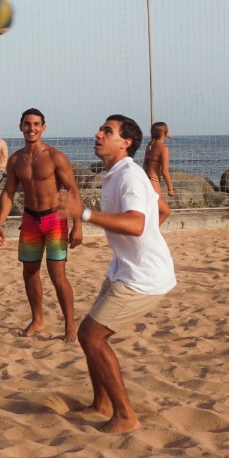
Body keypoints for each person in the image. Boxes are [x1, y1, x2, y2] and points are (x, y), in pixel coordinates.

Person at [59, 113, 177, 434]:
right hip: (124, 269)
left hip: (143, 278)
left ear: (125, 143)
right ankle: (102, 404)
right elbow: (161, 211)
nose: (98, 134)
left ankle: (125, 416)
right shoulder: (116, 173)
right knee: (92, 336)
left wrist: (83, 214)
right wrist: (143, 245)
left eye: (107, 131)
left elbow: (138, 224)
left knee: (91, 336)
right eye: (100, 128)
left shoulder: (129, 177)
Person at [0, 108, 83, 343]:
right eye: (27, 124)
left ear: (43, 127)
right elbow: (8, 192)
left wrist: (78, 225)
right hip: (30, 221)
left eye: (36, 124)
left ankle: (70, 326)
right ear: (20, 126)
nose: (31, 128)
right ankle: (37, 319)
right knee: (30, 272)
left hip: (54, 220)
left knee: (57, 275)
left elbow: (72, 190)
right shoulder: (15, 160)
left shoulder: (55, 157)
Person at [143, 122, 175, 202]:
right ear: (165, 132)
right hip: (154, 181)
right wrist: (170, 188)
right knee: (163, 211)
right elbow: (164, 171)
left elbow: (144, 165)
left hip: (145, 180)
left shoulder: (149, 145)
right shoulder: (164, 149)